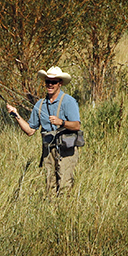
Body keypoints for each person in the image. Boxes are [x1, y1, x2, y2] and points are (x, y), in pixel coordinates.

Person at [6, 67, 82, 195]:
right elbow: (30, 131)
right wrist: (16, 115)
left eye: (53, 82)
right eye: (48, 81)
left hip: (66, 149)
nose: (50, 85)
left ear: (60, 83)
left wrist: (61, 122)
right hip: (48, 150)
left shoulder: (69, 101)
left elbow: (76, 126)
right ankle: (51, 211)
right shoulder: (39, 105)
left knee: (64, 184)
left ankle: (64, 210)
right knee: (50, 185)